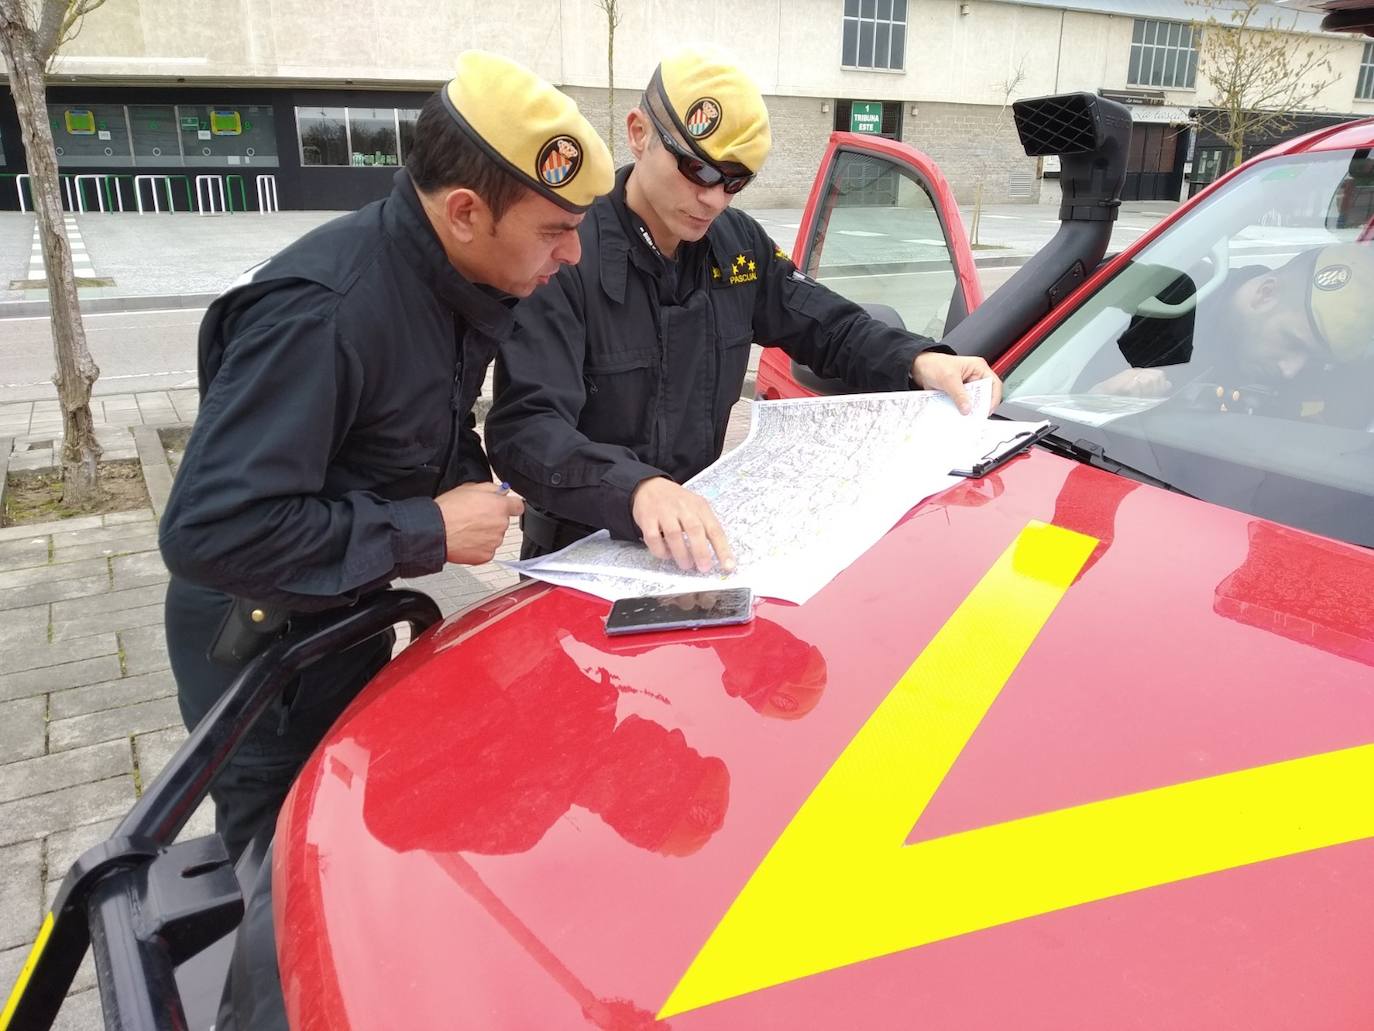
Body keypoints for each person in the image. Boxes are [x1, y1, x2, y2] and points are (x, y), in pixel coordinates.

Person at [158, 51, 614, 862]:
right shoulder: (325, 312)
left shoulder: (450, 279)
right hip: (265, 652)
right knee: (288, 874)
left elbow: (399, 427)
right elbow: (210, 531)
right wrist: (427, 532)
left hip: (342, 616)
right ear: (469, 210)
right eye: (556, 233)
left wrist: (464, 475)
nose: (572, 257)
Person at [485, 45, 1002, 574]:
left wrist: (920, 361)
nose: (713, 199)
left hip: (699, 546)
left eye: (735, 182)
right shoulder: (565, 254)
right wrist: (636, 489)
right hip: (580, 550)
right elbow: (525, 430)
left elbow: (828, 325)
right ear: (638, 133)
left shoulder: (737, 247)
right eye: (696, 170)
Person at [1085, 241, 1374, 425]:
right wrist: (1099, 396)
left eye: (1314, 358)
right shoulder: (1153, 299)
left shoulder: (1325, 373)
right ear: (1265, 293)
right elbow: (1048, 403)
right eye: (1293, 342)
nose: (1290, 371)